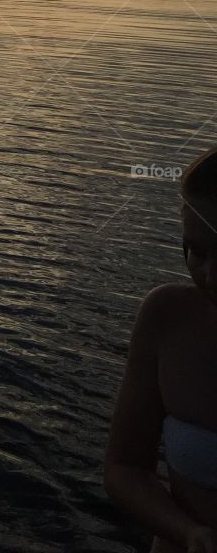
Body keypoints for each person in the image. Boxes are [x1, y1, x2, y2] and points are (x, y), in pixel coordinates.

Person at [105, 146, 217, 552]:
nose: (211, 275)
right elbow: (126, 467)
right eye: (197, 251)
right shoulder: (167, 317)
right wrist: (189, 532)